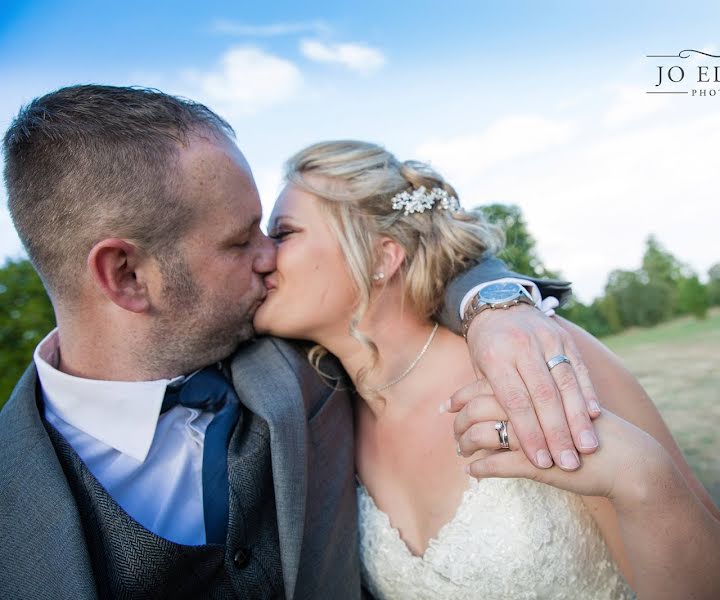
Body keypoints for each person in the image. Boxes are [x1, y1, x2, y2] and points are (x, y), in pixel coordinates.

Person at [0, 85, 598, 599]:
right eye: (240, 242)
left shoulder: (297, 359)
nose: (270, 257)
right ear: (128, 276)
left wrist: (495, 304)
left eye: (275, 231)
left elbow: (391, 276)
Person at [253, 140, 720, 599]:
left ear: (383, 256)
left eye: (283, 233)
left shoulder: (529, 354)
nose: (260, 256)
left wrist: (640, 477)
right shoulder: (326, 410)